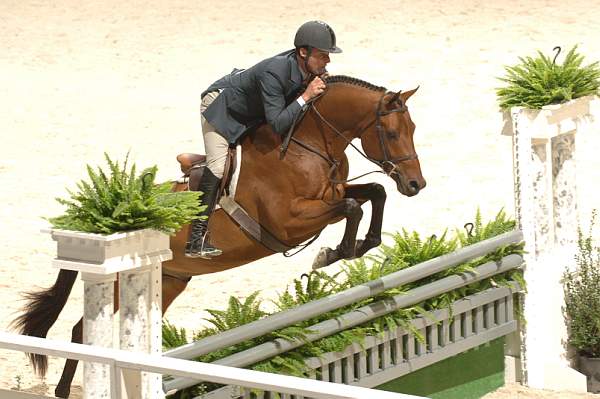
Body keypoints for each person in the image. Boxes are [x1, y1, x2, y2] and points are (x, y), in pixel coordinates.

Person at [185, 20, 342, 258]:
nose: (327, 61)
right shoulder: (274, 72)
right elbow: (278, 123)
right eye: (322, 55)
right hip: (222, 108)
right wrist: (307, 96)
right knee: (217, 167)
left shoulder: (307, 70)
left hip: (252, 112)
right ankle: (196, 238)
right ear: (303, 52)